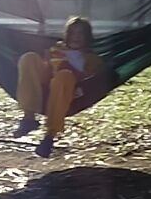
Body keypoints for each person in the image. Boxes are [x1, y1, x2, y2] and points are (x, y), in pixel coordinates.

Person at [13, 16, 102, 156]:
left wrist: (67, 66)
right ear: (67, 35)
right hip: (46, 80)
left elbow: (88, 79)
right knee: (29, 58)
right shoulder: (58, 47)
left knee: (64, 75)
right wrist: (48, 60)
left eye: (80, 34)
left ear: (87, 37)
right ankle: (29, 117)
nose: (76, 37)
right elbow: (46, 65)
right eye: (72, 33)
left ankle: (49, 136)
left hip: (65, 86)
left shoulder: (91, 58)